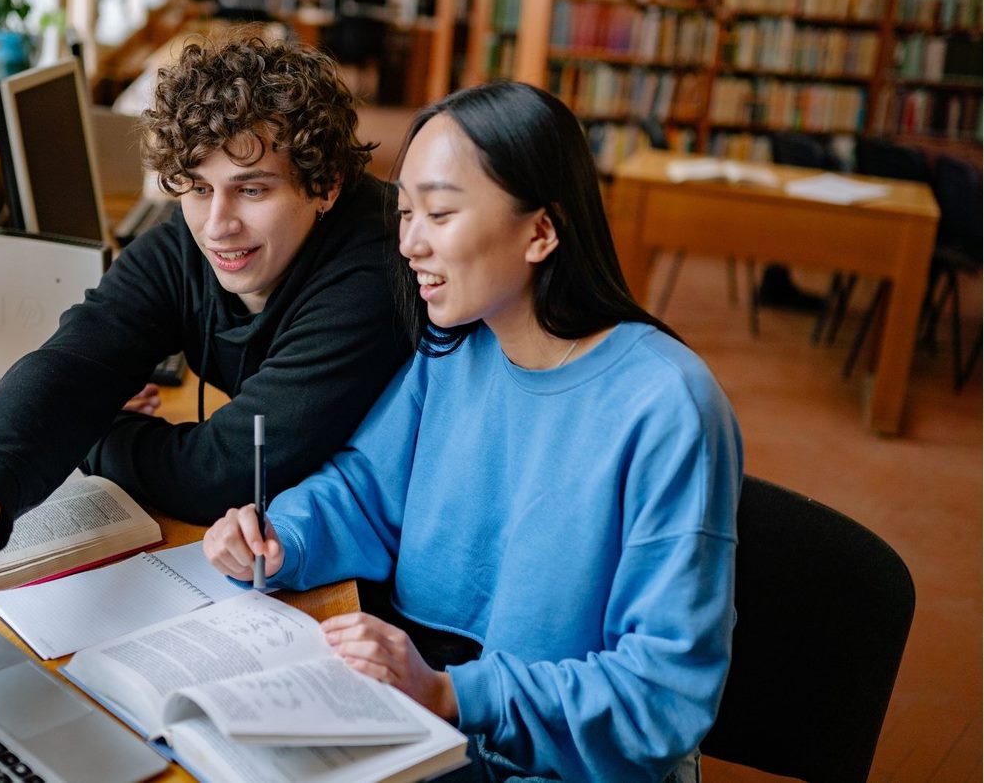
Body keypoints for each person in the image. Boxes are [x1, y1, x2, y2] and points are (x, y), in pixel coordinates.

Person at [204, 80, 743, 783]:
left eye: (440, 213)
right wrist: (282, 537)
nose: (409, 244)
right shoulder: (455, 347)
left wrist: (453, 693)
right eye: (404, 213)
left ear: (541, 231)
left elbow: (660, 695)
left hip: (560, 764)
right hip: (441, 727)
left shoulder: (668, 406)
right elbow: (367, 489)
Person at [0, 34, 411, 628]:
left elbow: (222, 472)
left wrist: (99, 428)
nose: (218, 225)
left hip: (384, 593)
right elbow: (78, 358)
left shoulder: (376, 265)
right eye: (198, 187)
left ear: (324, 184)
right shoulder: (192, 235)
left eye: (252, 188)